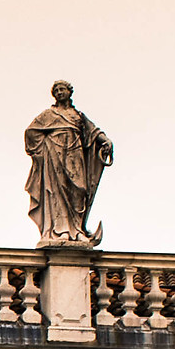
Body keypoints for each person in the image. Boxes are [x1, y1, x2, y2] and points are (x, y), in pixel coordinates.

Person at [23, 80, 114, 245]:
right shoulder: (48, 115)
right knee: (57, 191)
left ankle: (77, 230)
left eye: (62, 89)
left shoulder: (77, 115)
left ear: (69, 92)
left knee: (79, 190)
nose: (59, 92)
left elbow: (93, 131)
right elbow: (31, 132)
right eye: (56, 90)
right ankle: (62, 230)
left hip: (74, 155)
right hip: (55, 155)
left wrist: (106, 141)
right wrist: (42, 149)